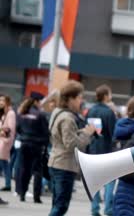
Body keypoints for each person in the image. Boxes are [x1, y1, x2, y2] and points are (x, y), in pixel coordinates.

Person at [48, 80, 96, 216]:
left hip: (56, 162)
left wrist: (79, 132)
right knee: (61, 206)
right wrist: (87, 134)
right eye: (80, 98)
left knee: (57, 203)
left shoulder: (57, 112)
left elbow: (62, 137)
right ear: (70, 99)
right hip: (64, 165)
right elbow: (72, 145)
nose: (81, 101)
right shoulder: (68, 118)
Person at [86, 85, 117, 216]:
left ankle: (94, 208)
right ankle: (108, 208)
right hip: (107, 149)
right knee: (110, 179)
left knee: (95, 180)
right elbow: (113, 132)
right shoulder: (109, 112)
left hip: (93, 148)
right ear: (105, 96)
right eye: (110, 94)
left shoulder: (91, 110)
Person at [16, 92, 49, 203]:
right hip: (36, 145)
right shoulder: (40, 115)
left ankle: (22, 194)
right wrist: (45, 144)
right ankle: (36, 196)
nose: (41, 104)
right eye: (40, 102)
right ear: (36, 101)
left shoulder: (22, 112)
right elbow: (46, 132)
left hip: (24, 144)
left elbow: (18, 129)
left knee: (24, 169)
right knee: (37, 171)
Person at [0, 94, 16, 192]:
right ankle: (8, 184)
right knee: (4, 163)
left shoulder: (10, 113)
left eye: (2, 100)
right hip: (1, 140)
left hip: (5, 141)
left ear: (7, 102)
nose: (0, 102)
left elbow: (10, 128)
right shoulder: (3, 112)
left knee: (3, 162)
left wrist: (2, 131)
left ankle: (8, 184)